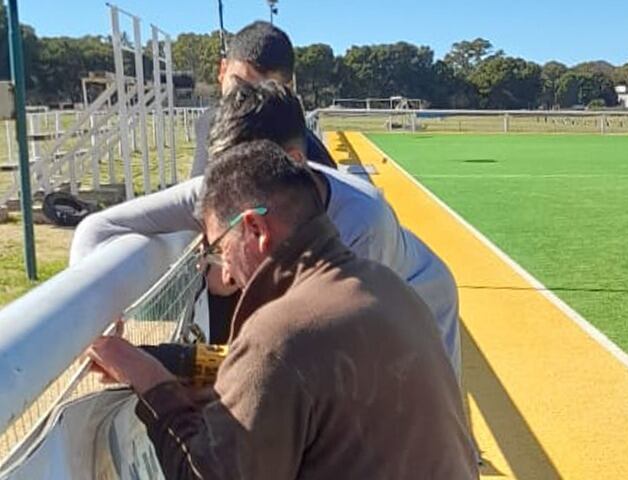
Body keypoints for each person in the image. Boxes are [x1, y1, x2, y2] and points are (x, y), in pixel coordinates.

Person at [87, 140, 477, 479]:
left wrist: (147, 378)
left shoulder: (281, 334)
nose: (224, 271)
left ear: (255, 229)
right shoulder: (388, 287)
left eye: (219, 247)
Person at [70, 79, 462, 379]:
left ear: (293, 163)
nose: (225, 194)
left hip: (419, 298)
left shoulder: (362, 222)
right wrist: (93, 320)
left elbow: (321, 358)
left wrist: (171, 365)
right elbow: (97, 228)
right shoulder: (228, 186)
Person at [191, 20, 335, 174]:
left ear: (287, 90)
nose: (248, 101)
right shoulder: (207, 123)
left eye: (265, 93)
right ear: (222, 71)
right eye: (240, 85)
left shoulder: (315, 162)